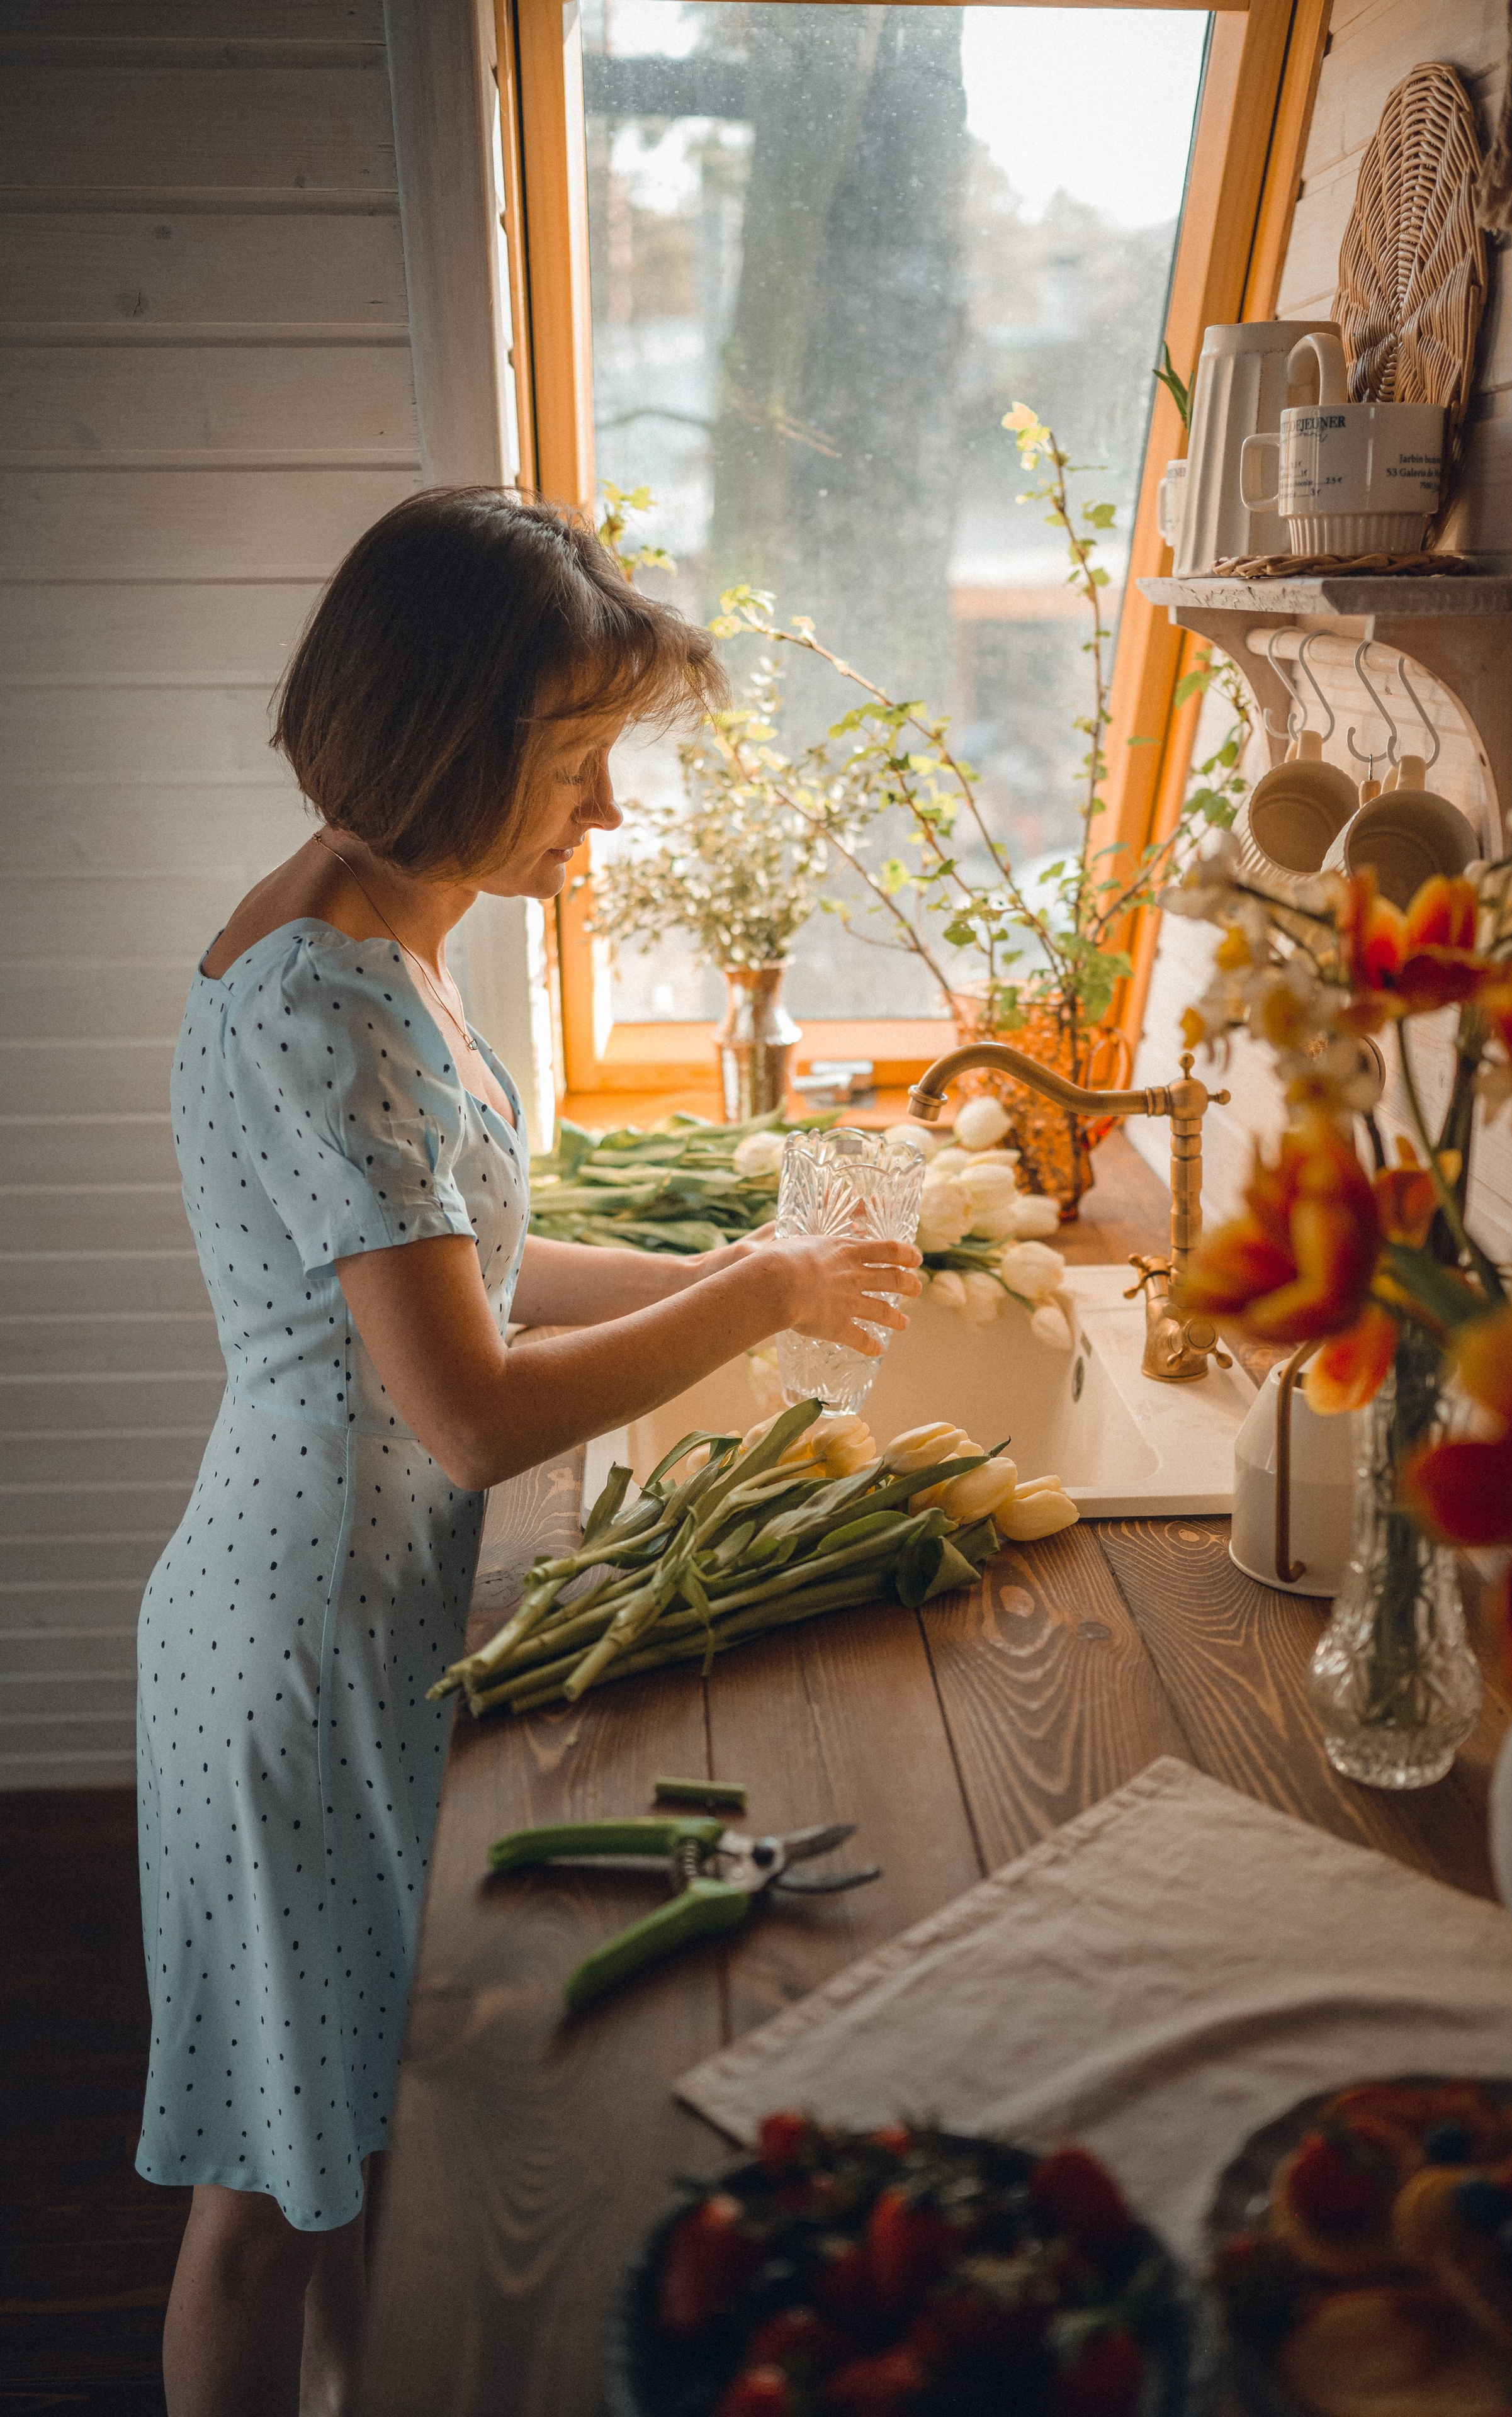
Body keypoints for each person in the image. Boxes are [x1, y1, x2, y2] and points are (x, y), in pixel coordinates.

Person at [135, 490, 922, 2417]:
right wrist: (752, 1297)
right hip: (301, 1641)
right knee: (267, 2193)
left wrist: (758, 1268)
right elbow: (471, 1403)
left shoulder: (391, 923)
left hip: (353, 1600)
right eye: (577, 768)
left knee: (357, 2150)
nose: (610, 820)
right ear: (449, 743)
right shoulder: (329, 1002)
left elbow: (466, 1264)